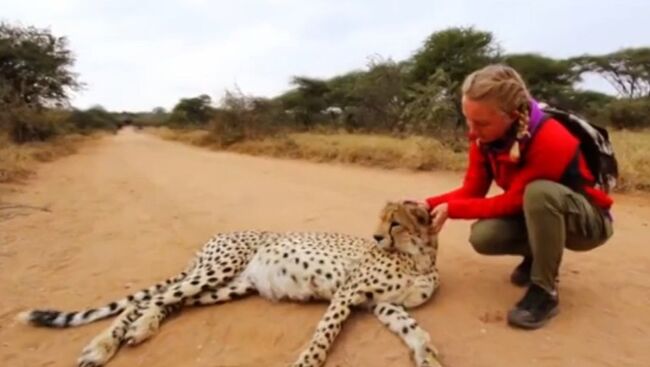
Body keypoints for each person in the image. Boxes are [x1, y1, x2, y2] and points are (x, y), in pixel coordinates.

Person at [424, 64, 614, 329]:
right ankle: (538, 256)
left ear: (512, 116)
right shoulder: (485, 138)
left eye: (480, 123)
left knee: (540, 193)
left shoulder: (551, 139)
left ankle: (545, 291)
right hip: (539, 212)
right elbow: (472, 191)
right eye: (468, 119)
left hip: (588, 224)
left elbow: (514, 201)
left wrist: (452, 210)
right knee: (484, 236)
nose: (472, 130)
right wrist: (425, 205)